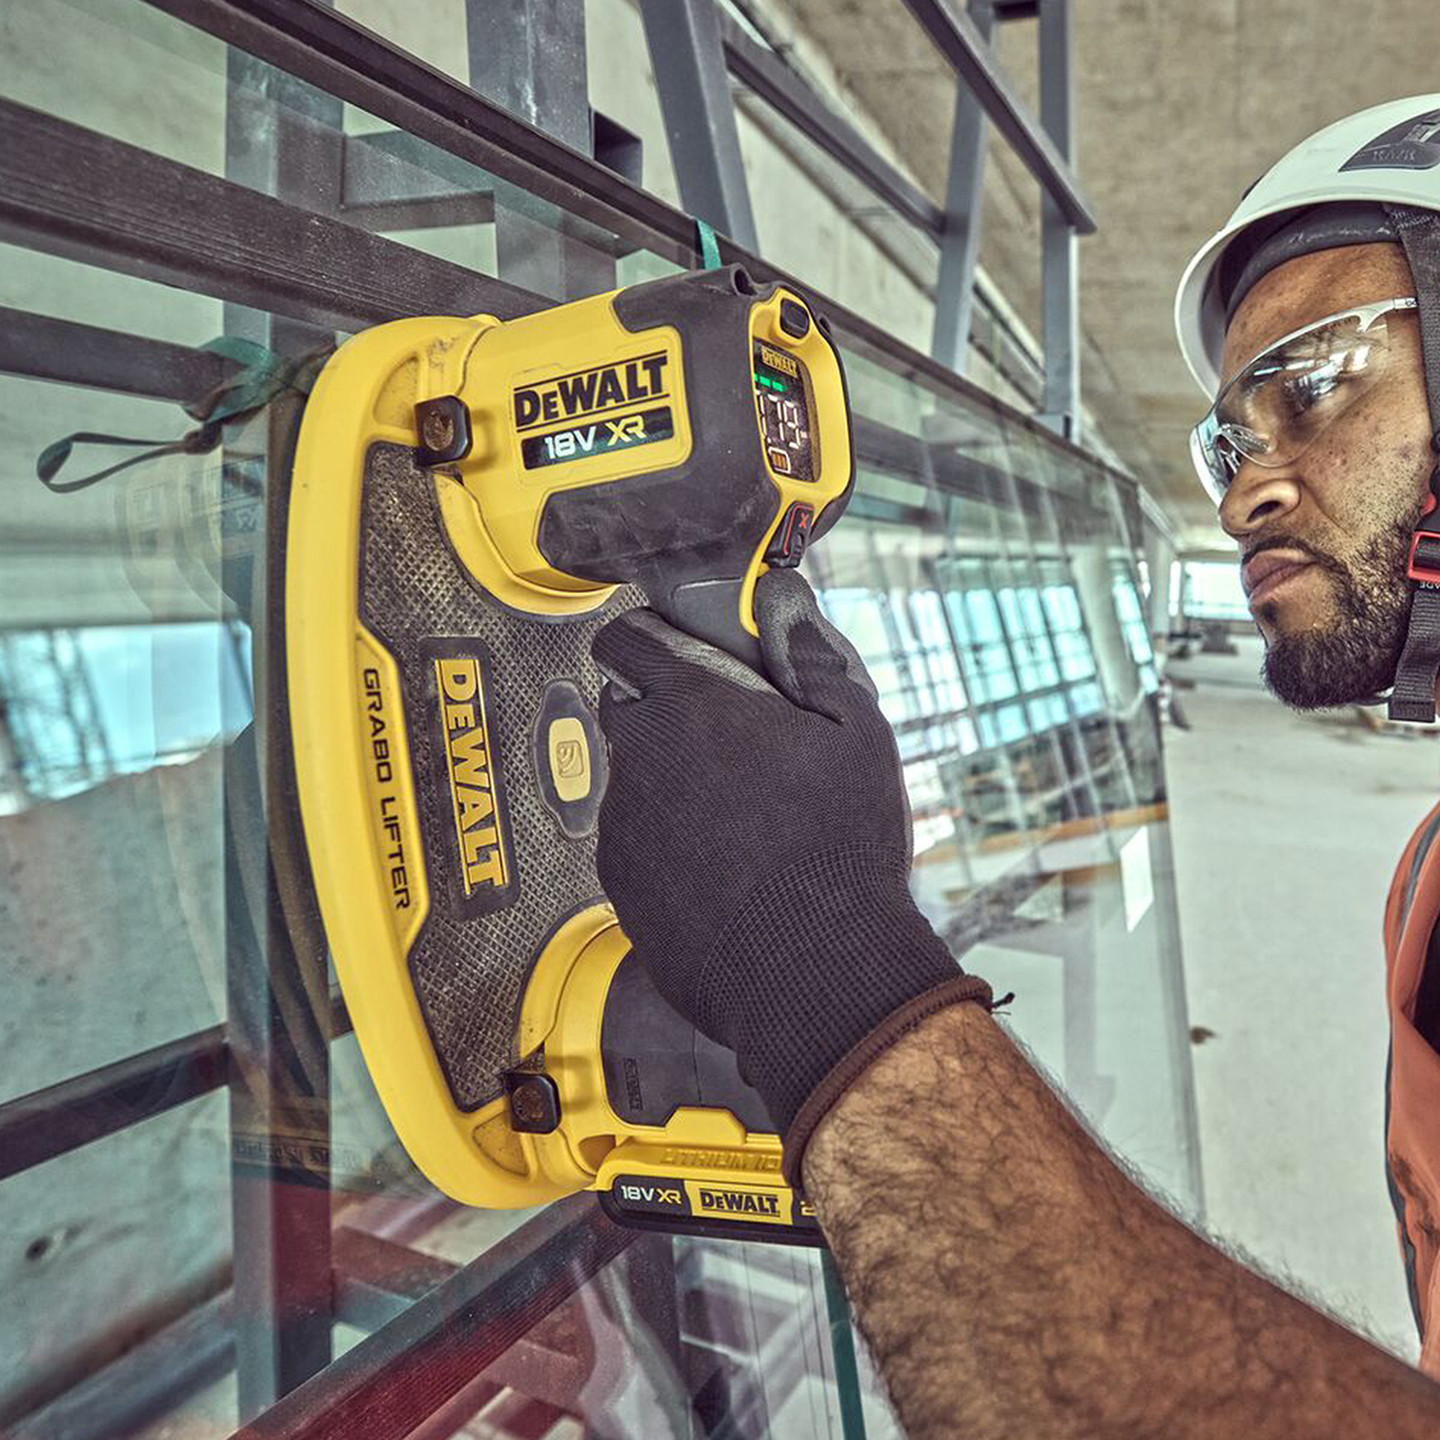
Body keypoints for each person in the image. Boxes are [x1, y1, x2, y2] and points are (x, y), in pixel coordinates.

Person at [592, 95, 1440, 1439]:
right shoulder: (1424, 879)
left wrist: (823, 966)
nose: (1242, 496)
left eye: (1314, 383)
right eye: (1229, 441)